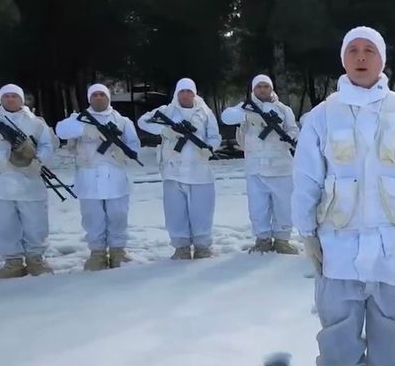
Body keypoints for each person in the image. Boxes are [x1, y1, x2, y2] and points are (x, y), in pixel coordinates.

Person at [292, 26, 395, 366]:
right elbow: (306, 179)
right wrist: (306, 233)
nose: (360, 56)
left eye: (368, 50)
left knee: (394, 329)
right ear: (343, 59)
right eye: (353, 50)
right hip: (337, 248)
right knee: (338, 332)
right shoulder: (321, 116)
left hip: (392, 247)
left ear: (382, 60)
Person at [56, 83, 141, 270]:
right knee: (92, 217)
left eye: (102, 94)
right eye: (95, 95)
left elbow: (134, 146)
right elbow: (61, 130)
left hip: (116, 176)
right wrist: (84, 129)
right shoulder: (79, 119)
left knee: (118, 215)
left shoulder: (122, 121)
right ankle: (98, 253)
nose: (99, 97)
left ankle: (118, 251)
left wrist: (121, 151)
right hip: (88, 177)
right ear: (89, 98)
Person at [138, 78, 221, 260]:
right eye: (182, 91)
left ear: (194, 93)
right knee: (175, 211)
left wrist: (209, 148)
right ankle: (181, 247)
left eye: (189, 91)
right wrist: (165, 131)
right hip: (173, 170)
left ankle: (202, 247)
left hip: (200, 171)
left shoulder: (205, 112)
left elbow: (215, 136)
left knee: (202, 211)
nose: (185, 95)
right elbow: (143, 121)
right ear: (177, 93)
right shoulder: (167, 111)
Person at [0, 84, 56, 278]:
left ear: (22, 99)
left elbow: (48, 146)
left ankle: (36, 259)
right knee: (3, 225)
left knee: (35, 223)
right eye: (6, 96)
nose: (10, 99)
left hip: (29, 181)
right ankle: (12, 262)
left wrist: (38, 161)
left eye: (15, 96)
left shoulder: (36, 123)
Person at [221, 74, 299, 255]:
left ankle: (282, 240)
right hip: (255, 167)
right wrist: (248, 116)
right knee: (258, 206)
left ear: (271, 89)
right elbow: (227, 117)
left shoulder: (283, 109)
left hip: (281, 167)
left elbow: (293, 129)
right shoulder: (246, 109)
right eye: (259, 87)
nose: (263, 90)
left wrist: (291, 139)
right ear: (253, 90)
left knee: (284, 206)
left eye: (266, 86)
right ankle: (262, 239)